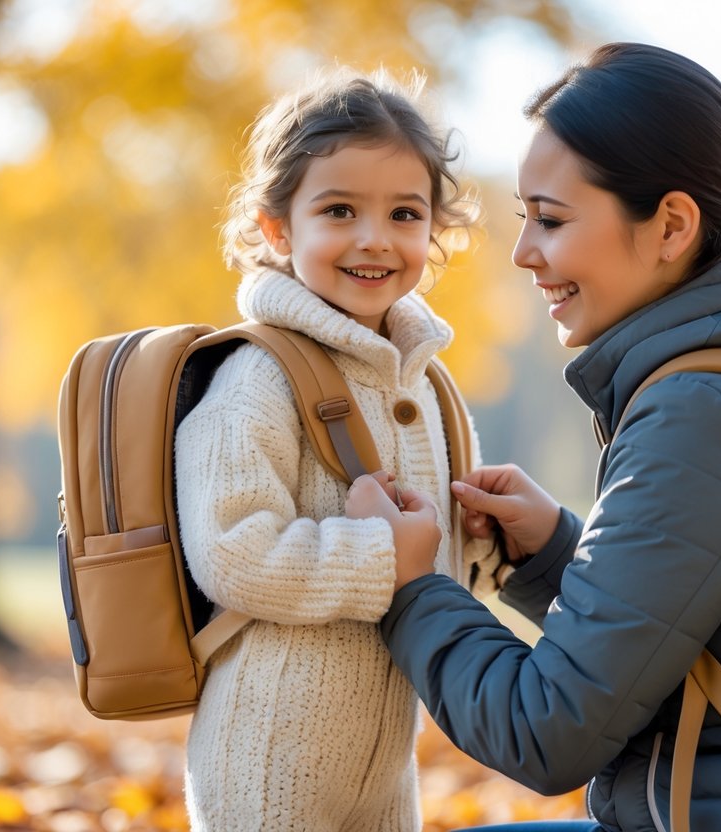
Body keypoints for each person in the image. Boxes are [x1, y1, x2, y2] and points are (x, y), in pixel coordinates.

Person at [370, 42, 721, 831]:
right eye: (523, 218)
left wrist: (410, 586)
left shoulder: (704, 414)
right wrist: (553, 551)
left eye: (550, 219)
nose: (523, 253)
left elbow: (544, 733)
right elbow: (716, 633)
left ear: (671, 226)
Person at [173, 68, 501, 832]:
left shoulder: (424, 382)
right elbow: (230, 550)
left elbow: (431, 567)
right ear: (278, 230)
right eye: (339, 210)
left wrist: (487, 543)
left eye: (404, 213)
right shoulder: (260, 375)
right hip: (267, 757)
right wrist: (377, 556)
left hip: (382, 766)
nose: (374, 238)